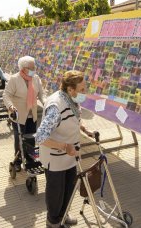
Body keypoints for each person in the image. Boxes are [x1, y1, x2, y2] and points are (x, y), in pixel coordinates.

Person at [35, 70, 93, 228]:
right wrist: (64, 146)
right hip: (55, 157)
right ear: (70, 89)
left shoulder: (71, 99)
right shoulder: (56, 106)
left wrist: (84, 129)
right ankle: (53, 221)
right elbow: (40, 136)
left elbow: (74, 118)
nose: (84, 92)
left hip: (70, 155)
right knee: (56, 193)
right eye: (82, 89)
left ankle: (64, 213)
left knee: (70, 187)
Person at [3, 56, 46, 172]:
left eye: (34, 67)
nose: (34, 69)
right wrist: (10, 106)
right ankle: (17, 161)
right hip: (19, 115)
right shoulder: (14, 79)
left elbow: (41, 94)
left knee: (31, 138)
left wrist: (46, 102)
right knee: (20, 140)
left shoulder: (36, 78)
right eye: (32, 67)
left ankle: (30, 159)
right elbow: (6, 95)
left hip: (32, 114)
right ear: (24, 68)